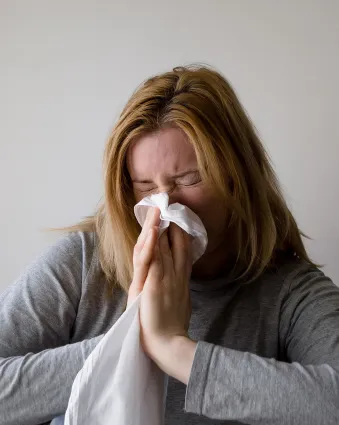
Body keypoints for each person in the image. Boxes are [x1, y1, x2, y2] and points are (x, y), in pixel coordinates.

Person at [1, 65, 338, 425]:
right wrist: (128, 342)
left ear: (237, 178)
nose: (165, 206)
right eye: (145, 187)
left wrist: (173, 348)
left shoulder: (288, 290)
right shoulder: (83, 263)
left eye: (188, 179)